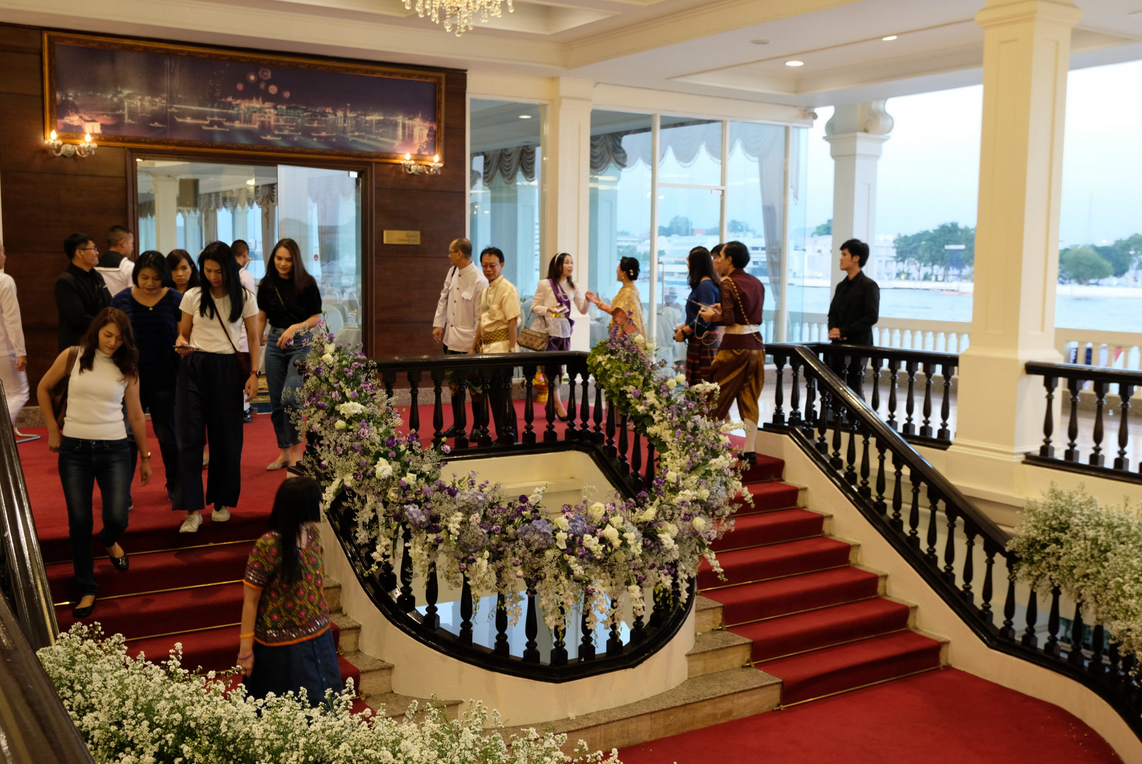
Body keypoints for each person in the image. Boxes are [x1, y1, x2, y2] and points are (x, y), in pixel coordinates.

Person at [36, 307, 152, 619]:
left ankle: (109, 539)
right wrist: (52, 429)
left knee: (117, 516)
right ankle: (87, 588)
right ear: (97, 331)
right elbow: (43, 388)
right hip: (74, 450)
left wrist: (145, 457)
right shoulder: (73, 356)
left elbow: (136, 414)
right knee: (79, 522)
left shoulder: (127, 366)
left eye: (119, 338)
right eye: (107, 335)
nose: (112, 342)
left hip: (115, 449)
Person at [173, 242, 259, 534]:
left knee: (227, 439)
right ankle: (192, 510)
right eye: (208, 271)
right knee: (189, 439)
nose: (213, 276)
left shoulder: (244, 298)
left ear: (230, 269)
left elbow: (253, 338)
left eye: (218, 271)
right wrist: (181, 344)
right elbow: (183, 334)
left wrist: (254, 374)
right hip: (194, 367)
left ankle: (221, 502)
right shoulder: (193, 296)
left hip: (227, 369)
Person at [238, 476, 342, 704]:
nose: (321, 505)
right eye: (317, 501)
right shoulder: (268, 545)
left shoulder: (312, 534)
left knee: (328, 702)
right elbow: (250, 601)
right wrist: (245, 650)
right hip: (283, 650)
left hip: (320, 636)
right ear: (302, 506)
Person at [112, 251, 182, 502]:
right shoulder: (121, 300)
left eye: (156, 277)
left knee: (167, 434)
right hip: (130, 379)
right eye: (144, 277)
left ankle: (175, 484)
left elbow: (184, 335)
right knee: (128, 434)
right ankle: (123, 492)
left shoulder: (176, 299)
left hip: (166, 377)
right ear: (136, 275)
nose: (150, 283)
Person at [256, 238, 322, 471]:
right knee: (276, 401)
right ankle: (283, 451)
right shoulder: (267, 284)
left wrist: (296, 327)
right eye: (278, 258)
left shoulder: (306, 283)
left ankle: (296, 450)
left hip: (301, 344)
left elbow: (316, 318)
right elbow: (262, 317)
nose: (282, 263)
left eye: (288, 259)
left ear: (296, 260)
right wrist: (257, 339)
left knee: (290, 397)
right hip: (275, 343)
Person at [699, 241, 766, 465]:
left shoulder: (728, 282)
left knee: (718, 392)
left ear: (729, 259)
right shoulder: (756, 282)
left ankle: (705, 444)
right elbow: (744, 311)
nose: (716, 261)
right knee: (749, 396)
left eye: (720, 256)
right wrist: (723, 308)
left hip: (735, 346)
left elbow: (728, 319)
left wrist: (712, 316)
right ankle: (750, 449)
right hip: (757, 344)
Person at [431, 238, 488, 438]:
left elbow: (480, 319)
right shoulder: (453, 271)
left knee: (475, 388)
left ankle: (477, 427)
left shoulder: (479, 280)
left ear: (459, 254)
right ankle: (458, 424)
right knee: (454, 386)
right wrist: (438, 324)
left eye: (450, 252)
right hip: (451, 340)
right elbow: (444, 297)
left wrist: (475, 346)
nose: (448, 255)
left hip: (469, 343)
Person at [530, 253, 590, 420]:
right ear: (557, 266)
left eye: (572, 262)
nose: (571, 266)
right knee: (551, 369)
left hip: (564, 331)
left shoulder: (573, 286)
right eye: (567, 263)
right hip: (547, 331)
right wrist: (548, 309)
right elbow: (534, 307)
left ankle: (552, 400)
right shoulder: (545, 284)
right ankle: (558, 404)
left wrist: (588, 300)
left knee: (560, 370)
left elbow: (583, 310)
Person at [472, 247, 520, 440]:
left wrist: (511, 351)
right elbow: (482, 321)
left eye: (492, 265)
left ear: (502, 265)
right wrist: (472, 347)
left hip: (502, 348)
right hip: (487, 349)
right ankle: (503, 433)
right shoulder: (486, 290)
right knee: (493, 395)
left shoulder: (507, 289)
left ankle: (509, 435)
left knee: (502, 395)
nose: (488, 269)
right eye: (485, 265)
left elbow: (512, 321)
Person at [827, 238, 881, 392]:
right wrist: (833, 331)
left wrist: (843, 331)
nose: (840, 258)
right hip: (838, 346)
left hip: (858, 346)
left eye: (844, 254)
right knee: (834, 387)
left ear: (856, 258)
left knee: (853, 388)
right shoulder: (841, 286)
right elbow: (832, 313)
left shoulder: (869, 286)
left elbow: (871, 316)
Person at [55, 233, 112, 351]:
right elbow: (79, 318)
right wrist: (105, 328)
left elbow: (109, 304)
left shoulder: (96, 276)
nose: (97, 252)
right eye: (93, 249)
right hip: (78, 344)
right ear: (79, 252)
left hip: (99, 341)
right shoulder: (66, 281)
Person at [675, 246, 722, 385]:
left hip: (704, 342)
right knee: (698, 385)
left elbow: (705, 319)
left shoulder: (705, 286)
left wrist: (684, 331)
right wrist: (684, 326)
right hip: (702, 340)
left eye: (689, 261)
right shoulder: (705, 285)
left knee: (702, 385)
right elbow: (698, 316)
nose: (688, 265)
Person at [0, 241, 29, 425]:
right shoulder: (4, 281)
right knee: (20, 392)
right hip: (4, 348)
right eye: (2, 252)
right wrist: (20, 351)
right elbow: (11, 319)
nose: (5, 256)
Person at [586, 256, 645, 338]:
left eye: (618, 267)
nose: (616, 271)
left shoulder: (627, 292)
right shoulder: (631, 289)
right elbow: (618, 312)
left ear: (623, 272)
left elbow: (621, 318)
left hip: (624, 338)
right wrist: (599, 303)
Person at [234, 239, 257, 424]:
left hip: (230, 335)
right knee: (243, 373)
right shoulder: (245, 275)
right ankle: (243, 408)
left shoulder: (227, 274)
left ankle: (240, 407)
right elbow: (252, 307)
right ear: (245, 254)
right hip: (243, 332)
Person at [95, 226, 135, 296]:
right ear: (123, 243)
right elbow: (133, 295)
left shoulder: (94, 266)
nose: (132, 248)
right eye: (131, 243)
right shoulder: (129, 267)